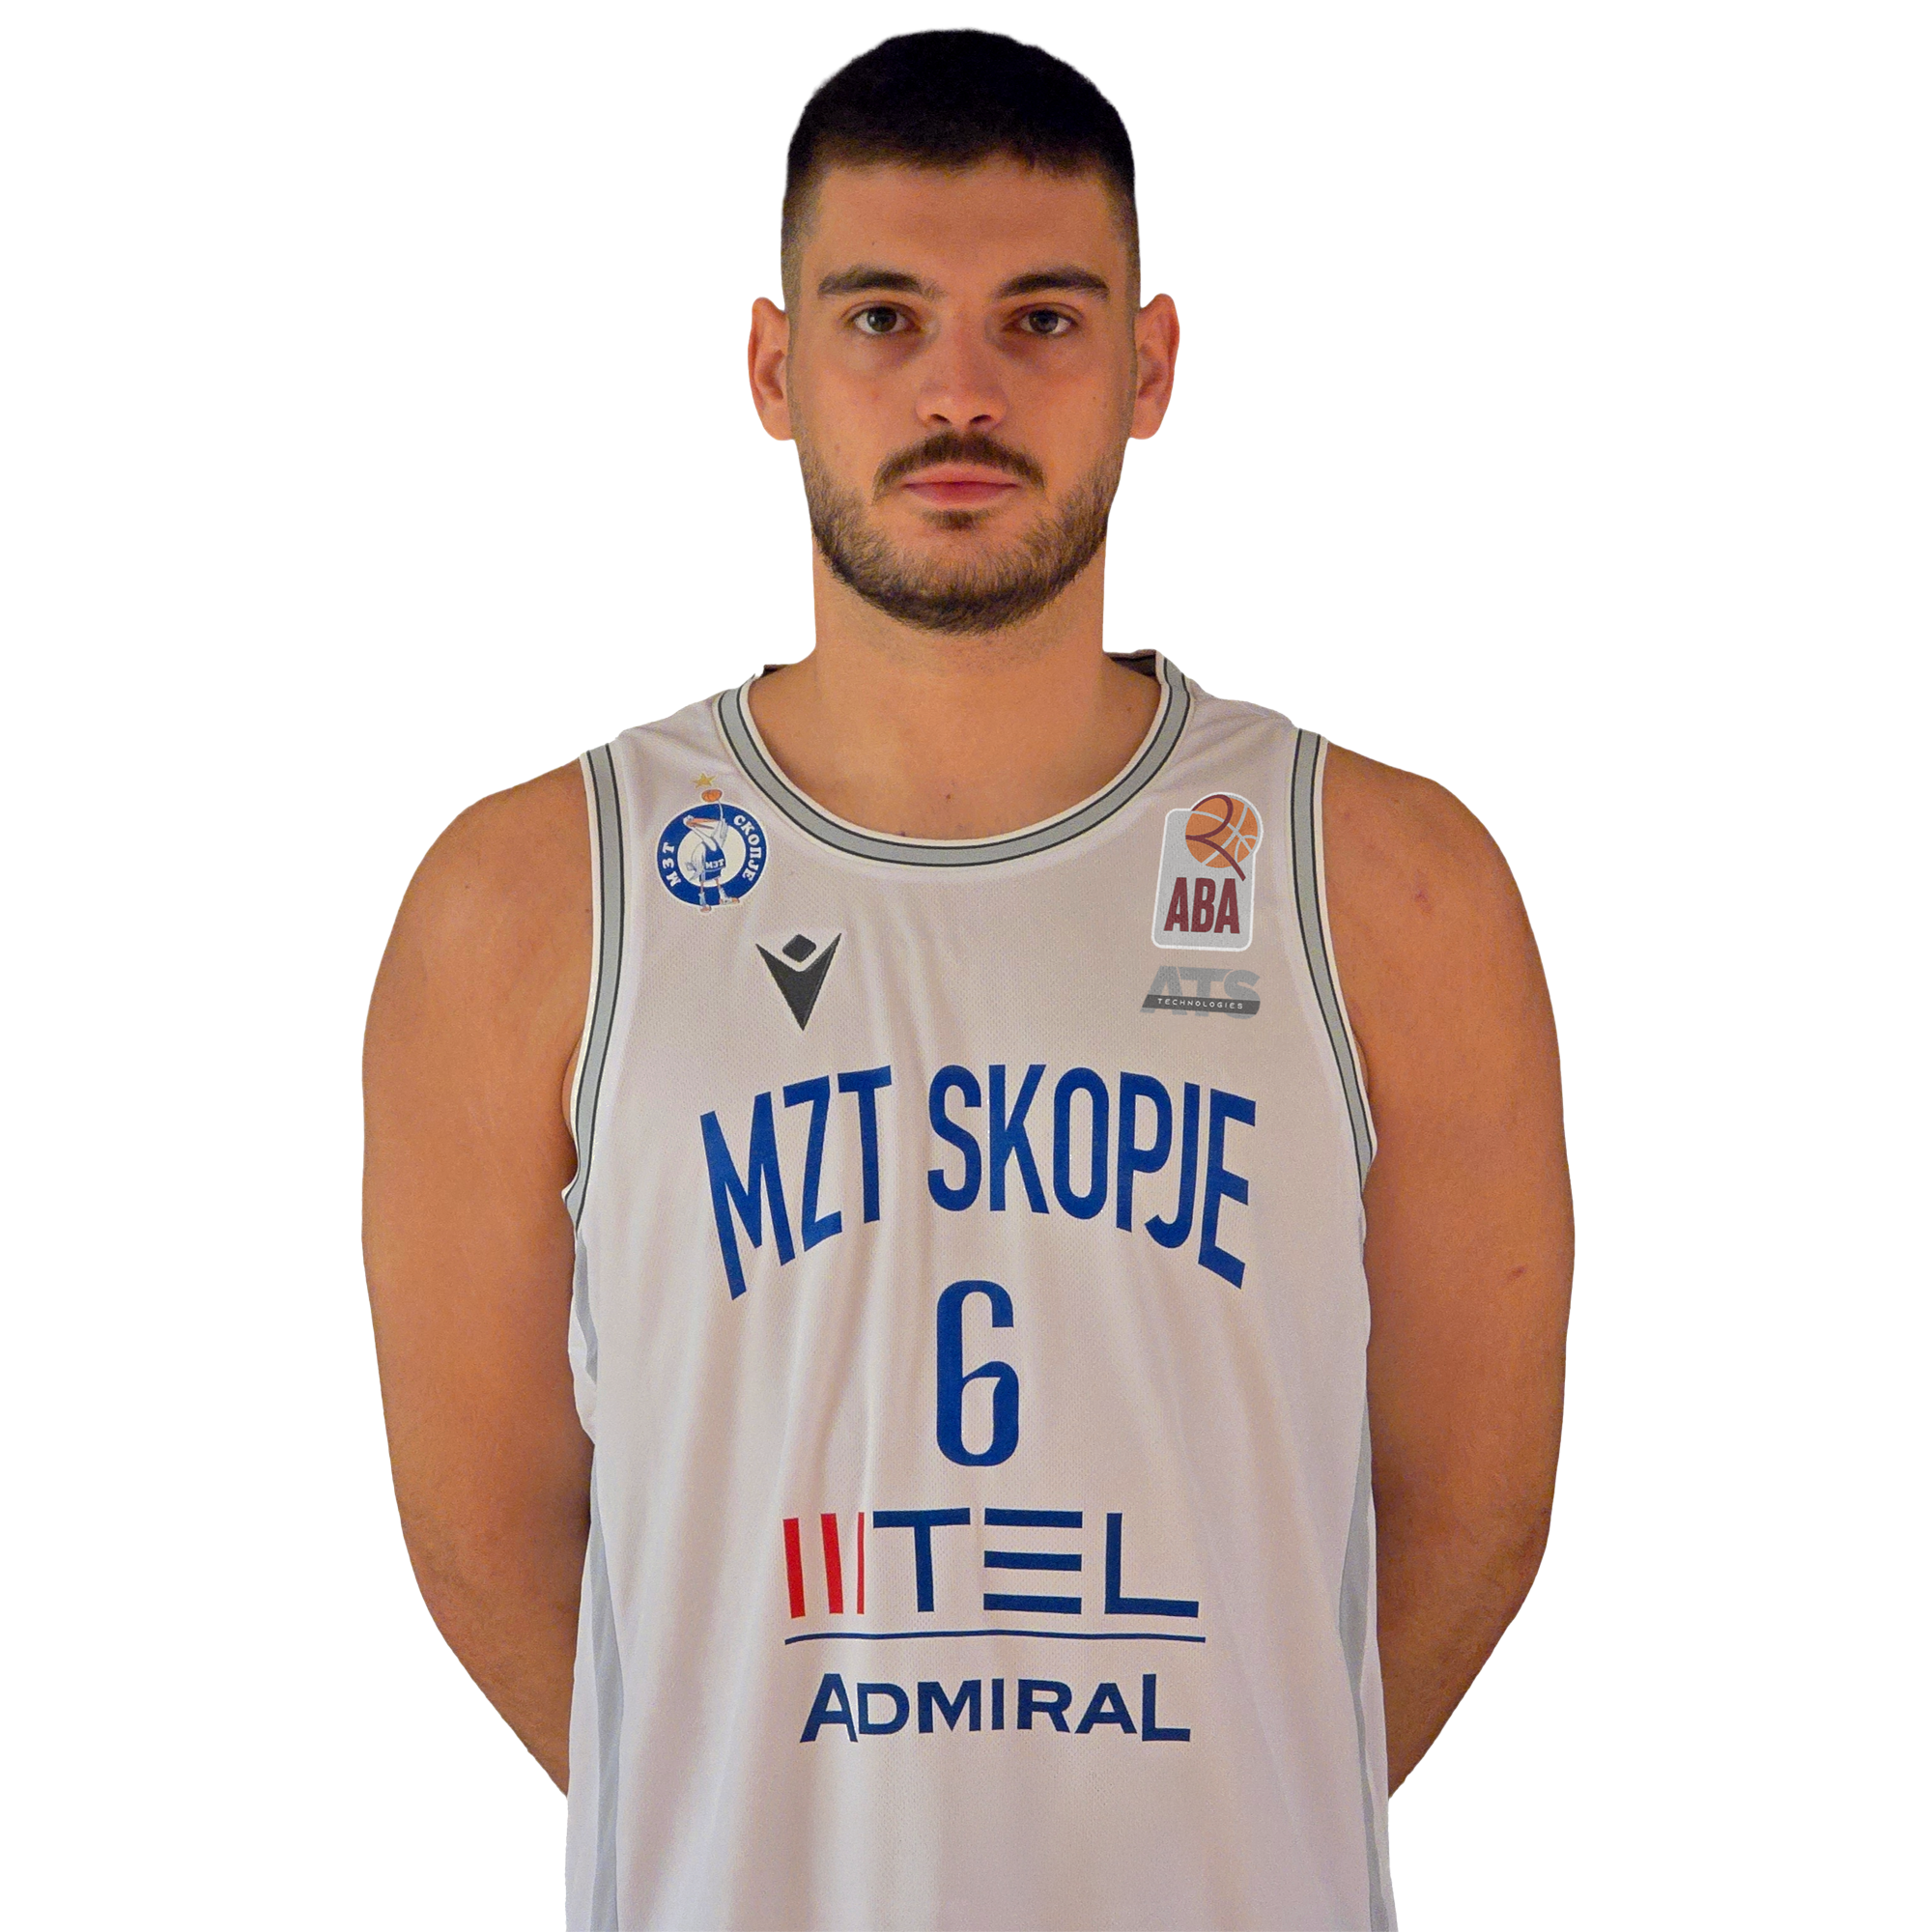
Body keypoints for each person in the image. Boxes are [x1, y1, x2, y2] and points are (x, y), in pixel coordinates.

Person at [362, 27, 1572, 1930]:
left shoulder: (1387, 887)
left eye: (1040, 321)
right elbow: (486, 1535)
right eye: (882, 319)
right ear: (774, 368)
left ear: (1149, 366)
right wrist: (763, 1824)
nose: (959, 391)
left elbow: (1472, 1507)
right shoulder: (526, 902)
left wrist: (1201, 1836)